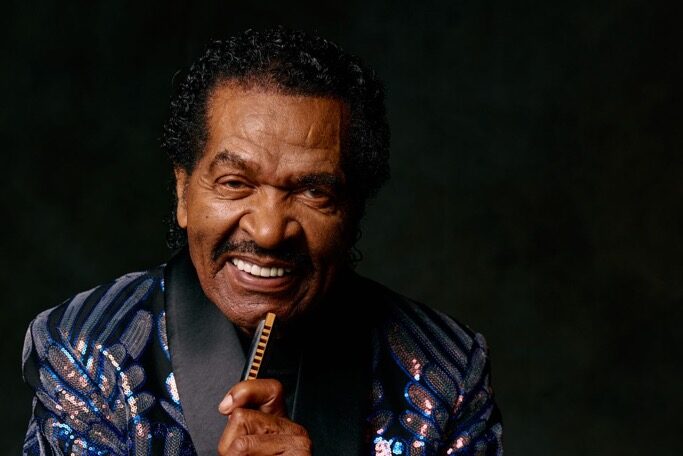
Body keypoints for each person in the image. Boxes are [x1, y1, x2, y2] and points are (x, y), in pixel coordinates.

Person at [21, 27, 503, 455]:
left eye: (313, 192)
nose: (270, 232)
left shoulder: (445, 370)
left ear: (353, 209)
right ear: (183, 193)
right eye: (235, 183)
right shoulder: (89, 348)